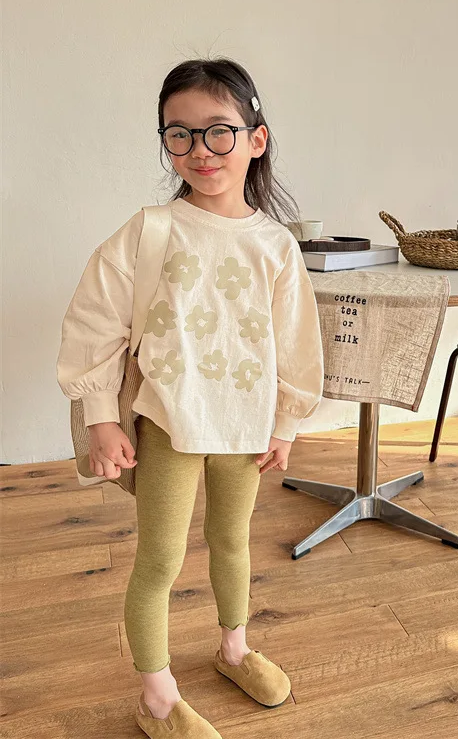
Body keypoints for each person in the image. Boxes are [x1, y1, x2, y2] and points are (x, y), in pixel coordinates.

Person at [56, 57, 324, 738]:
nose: (200, 149)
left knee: (232, 542)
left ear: (256, 139)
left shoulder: (276, 246)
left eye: (218, 131)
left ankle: (234, 649)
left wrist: (286, 423)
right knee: (160, 560)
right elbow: (95, 321)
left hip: (245, 425)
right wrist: (100, 417)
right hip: (169, 423)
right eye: (180, 134)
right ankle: (156, 696)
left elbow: (295, 344)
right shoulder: (150, 230)